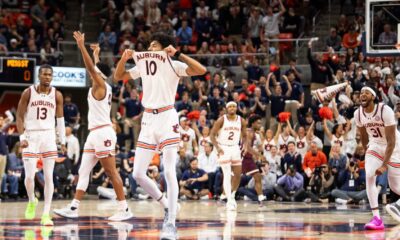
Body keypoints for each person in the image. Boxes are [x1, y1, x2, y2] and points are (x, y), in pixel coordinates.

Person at [114, 33, 206, 239]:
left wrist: (179, 54)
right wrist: (123, 58)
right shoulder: (143, 64)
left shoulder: (174, 64)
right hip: (148, 119)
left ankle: (171, 222)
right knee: (137, 173)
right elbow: (118, 77)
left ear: (165, 48)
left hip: (167, 117)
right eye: (149, 45)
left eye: (154, 45)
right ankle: (166, 204)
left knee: (169, 171)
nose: (150, 48)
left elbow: (202, 70)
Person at [54, 32, 133, 221]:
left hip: (103, 132)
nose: (91, 74)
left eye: (95, 72)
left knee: (111, 171)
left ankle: (124, 209)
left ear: (99, 75)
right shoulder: (101, 83)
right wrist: (97, 53)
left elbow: (92, 68)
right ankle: (74, 207)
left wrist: (81, 45)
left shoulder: (101, 85)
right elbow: (96, 68)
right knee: (83, 170)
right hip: (94, 133)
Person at [16, 64, 66, 226]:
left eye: (49, 75)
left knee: (49, 176)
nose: (47, 77)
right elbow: (19, 116)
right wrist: (22, 136)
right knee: (29, 177)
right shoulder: (28, 92)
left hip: (48, 136)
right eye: (44, 74)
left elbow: (60, 120)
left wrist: (62, 141)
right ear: (39, 75)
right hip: (31, 135)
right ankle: (32, 200)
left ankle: (46, 214)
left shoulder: (57, 95)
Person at [355, 86, 400, 230]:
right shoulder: (358, 113)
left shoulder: (384, 110)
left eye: (366, 92)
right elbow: (363, 135)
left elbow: (391, 141)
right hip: (375, 144)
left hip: (394, 147)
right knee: (369, 174)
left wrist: (384, 164)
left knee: (396, 187)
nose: (363, 95)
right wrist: (368, 151)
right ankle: (376, 218)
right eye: (361, 93)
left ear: (373, 96)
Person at [210, 101, 247, 211]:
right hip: (224, 147)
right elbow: (212, 135)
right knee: (226, 174)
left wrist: (244, 145)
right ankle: (230, 201)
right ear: (226, 109)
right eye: (230, 106)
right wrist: (217, 147)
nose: (232, 108)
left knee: (238, 174)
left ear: (236, 108)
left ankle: (232, 195)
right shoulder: (222, 119)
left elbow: (245, 135)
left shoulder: (241, 120)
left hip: (235, 147)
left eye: (234, 106)